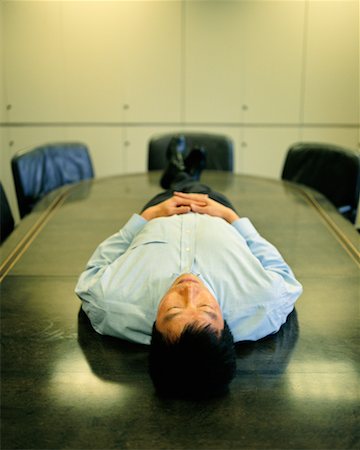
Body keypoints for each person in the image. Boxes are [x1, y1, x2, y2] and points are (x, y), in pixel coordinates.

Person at [75, 136, 303, 398]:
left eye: (172, 309)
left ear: (153, 331)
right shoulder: (264, 303)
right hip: (216, 209)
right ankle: (181, 170)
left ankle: (179, 170)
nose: (189, 290)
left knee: (178, 186)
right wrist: (233, 218)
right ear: (226, 327)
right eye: (207, 308)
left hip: (162, 209)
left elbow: (91, 276)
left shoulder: (112, 305)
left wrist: (144, 219)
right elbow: (283, 276)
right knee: (196, 185)